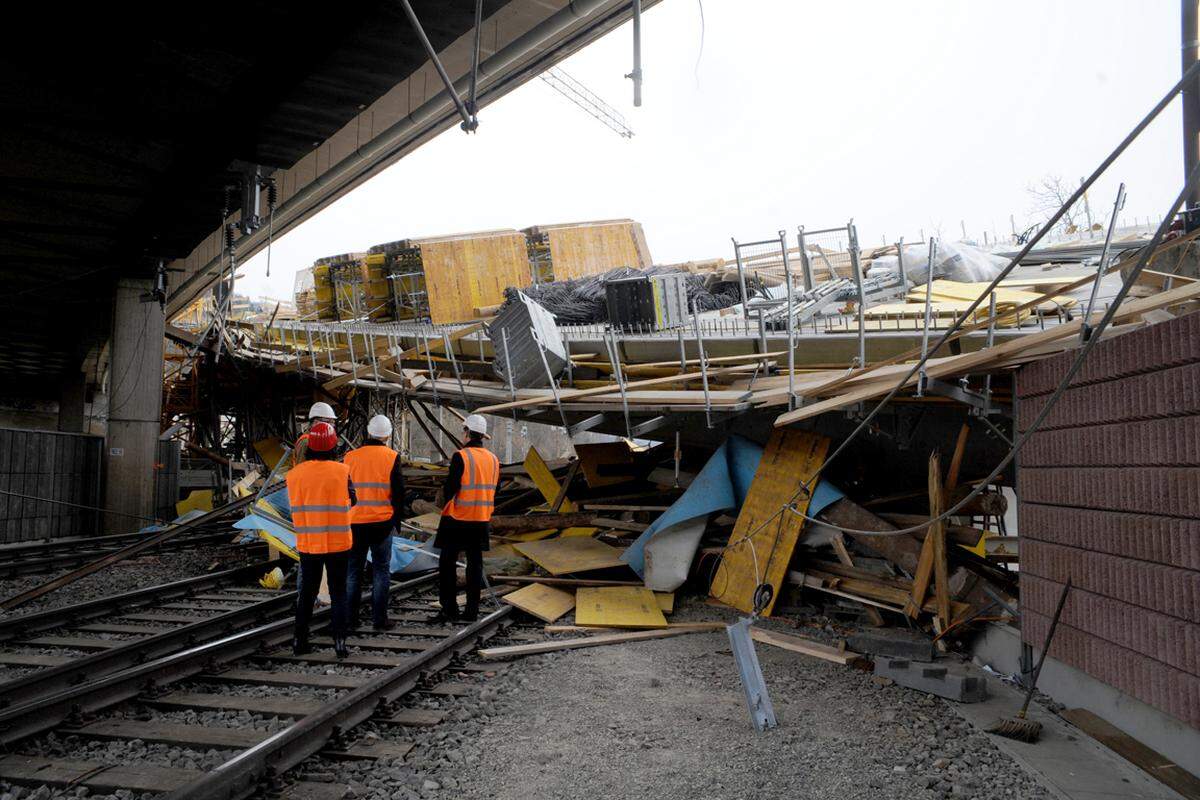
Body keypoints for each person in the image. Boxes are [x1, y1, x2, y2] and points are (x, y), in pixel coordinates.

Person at [286, 421, 355, 658]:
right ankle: (340, 642)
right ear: (333, 445)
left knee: (307, 592)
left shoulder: (294, 475)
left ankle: (299, 640)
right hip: (338, 543)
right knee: (338, 592)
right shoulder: (342, 471)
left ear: (310, 445)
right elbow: (352, 500)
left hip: (309, 543)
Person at [433, 414, 499, 623]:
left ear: (468, 433)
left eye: (464, 431)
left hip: (458, 517)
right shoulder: (494, 460)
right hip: (481, 519)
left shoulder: (461, 456)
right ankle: (471, 612)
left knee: (447, 563)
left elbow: (451, 488)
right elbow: (494, 490)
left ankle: (449, 609)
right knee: (475, 565)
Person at [344, 414, 405, 632]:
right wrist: (396, 521)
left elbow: (345, 490)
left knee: (353, 572)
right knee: (381, 571)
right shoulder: (391, 456)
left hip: (355, 523)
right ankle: (380, 620)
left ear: (369, 432)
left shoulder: (349, 457)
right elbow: (399, 492)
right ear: (387, 435)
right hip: (382, 523)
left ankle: (350, 621)